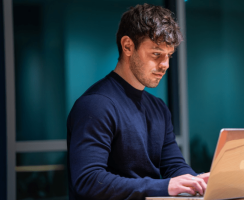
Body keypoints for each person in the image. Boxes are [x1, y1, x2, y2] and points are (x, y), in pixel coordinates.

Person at [67, 3, 209, 200]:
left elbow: (174, 166)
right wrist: (165, 186)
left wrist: (197, 182)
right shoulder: (96, 105)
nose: (165, 65)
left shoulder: (158, 108)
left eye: (169, 56)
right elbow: (88, 181)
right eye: (157, 54)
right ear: (128, 46)